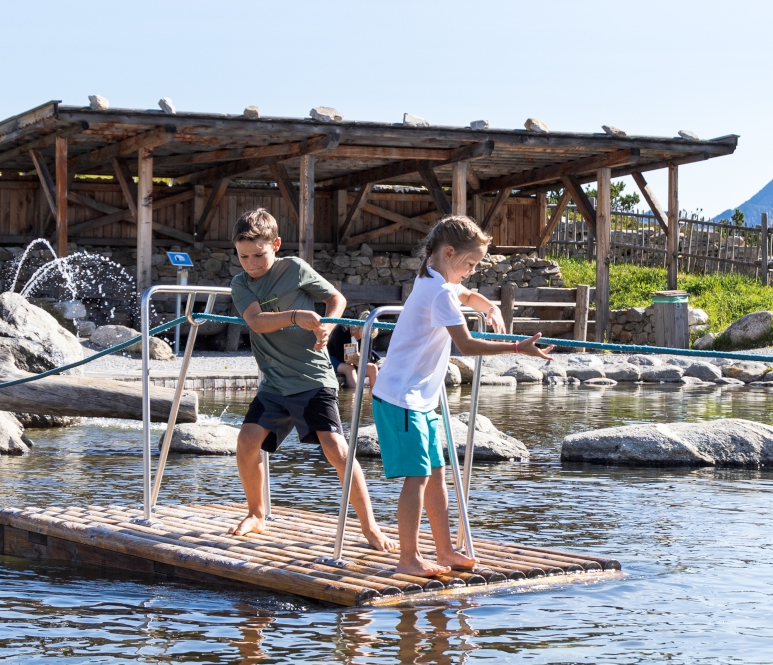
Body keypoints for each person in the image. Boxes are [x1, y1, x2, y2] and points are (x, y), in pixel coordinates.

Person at [371, 215, 552, 578]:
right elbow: (466, 345)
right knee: (417, 477)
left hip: (417, 399)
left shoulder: (433, 277)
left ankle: (444, 549)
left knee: (436, 475)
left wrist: (489, 306)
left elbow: (465, 294)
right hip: (402, 400)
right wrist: (517, 348)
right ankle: (408, 557)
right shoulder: (438, 292)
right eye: (469, 263)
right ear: (448, 252)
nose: (471, 271)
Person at [228, 208, 391, 552]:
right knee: (246, 441)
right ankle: (257, 514)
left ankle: (370, 527)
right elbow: (256, 322)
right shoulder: (241, 283)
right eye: (244, 256)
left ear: (276, 244)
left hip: (314, 379)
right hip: (274, 384)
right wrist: (295, 316)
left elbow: (336, 298)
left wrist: (330, 323)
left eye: (259, 255)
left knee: (338, 451)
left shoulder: (295, 269)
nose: (252, 263)